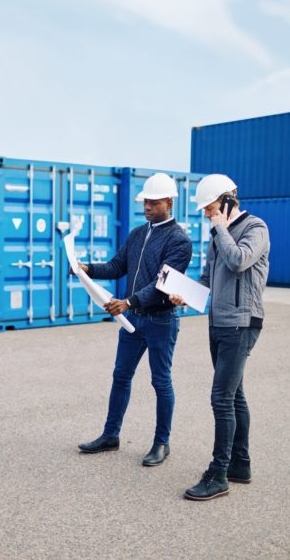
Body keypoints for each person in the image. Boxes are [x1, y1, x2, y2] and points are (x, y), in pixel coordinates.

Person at [77, 173, 193, 466]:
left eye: (154, 203)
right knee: (120, 377)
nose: (148, 207)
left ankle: (161, 443)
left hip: (160, 322)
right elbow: (117, 267)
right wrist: (86, 269)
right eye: (145, 202)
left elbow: (161, 285)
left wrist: (128, 302)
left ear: (169, 202)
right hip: (132, 322)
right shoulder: (138, 234)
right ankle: (110, 436)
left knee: (161, 382)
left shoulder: (180, 241)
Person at [169, 174, 269, 501]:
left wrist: (220, 227)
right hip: (219, 323)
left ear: (227, 201)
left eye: (210, 208)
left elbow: (239, 261)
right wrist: (184, 293)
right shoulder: (217, 235)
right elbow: (208, 276)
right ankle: (241, 464)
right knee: (235, 395)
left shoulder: (256, 228)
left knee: (221, 398)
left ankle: (219, 473)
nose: (206, 215)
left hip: (241, 323)